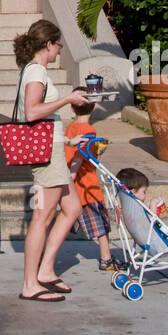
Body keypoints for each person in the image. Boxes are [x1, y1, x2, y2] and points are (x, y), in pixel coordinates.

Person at [15, 19, 91, 302]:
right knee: (42, 216)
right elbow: (32, 113)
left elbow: (44, 119)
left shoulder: (38, 71)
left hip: (54, 149)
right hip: (47, 156)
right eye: (58, 45)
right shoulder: (36, 72)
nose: (59, 50)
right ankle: (30, 284)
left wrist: (69, 141)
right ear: (48, 44)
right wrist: (66, 100)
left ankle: (46, 270)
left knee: (72, 207)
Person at [64, 101, 119, 272]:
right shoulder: (88, 131)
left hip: (75, 185)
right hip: (87, 185)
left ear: (72, 108)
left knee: (66, 222)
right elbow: (79, 157)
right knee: (101, 225)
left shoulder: (70, 128)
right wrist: (71, 176)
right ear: (94, 107)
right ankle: (106, 258)